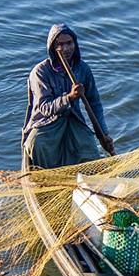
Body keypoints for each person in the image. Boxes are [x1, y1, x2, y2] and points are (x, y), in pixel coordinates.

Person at [22, 23, 114, 168]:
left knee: (89, 150)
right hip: (46, 124)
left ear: (75, 44)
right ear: (53, 47)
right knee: (37, 145)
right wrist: (69, 97)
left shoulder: (82, 69)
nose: (66, 49)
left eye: (69, 43)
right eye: (60, 44)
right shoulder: (40, 72)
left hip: (73, 119)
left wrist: (103, 134)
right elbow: (45, 108)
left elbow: (94, 103)